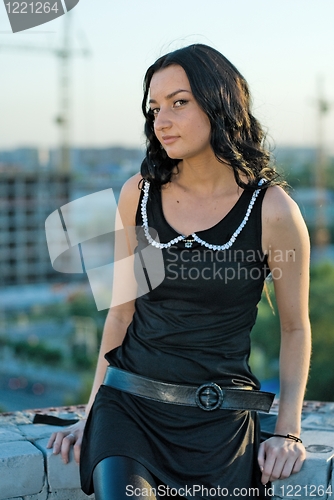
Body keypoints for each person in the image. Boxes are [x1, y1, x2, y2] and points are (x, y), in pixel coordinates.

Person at [47, 44, 311, 499]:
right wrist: (90, 411)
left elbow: (294, 327)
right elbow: (119, 315)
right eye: (154, 108)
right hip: (128, 413)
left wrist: (288, 431)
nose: (161, 120)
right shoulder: (139, 194)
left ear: (220, 102)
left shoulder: (272, 211)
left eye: (179, 103)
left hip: (220, 426)